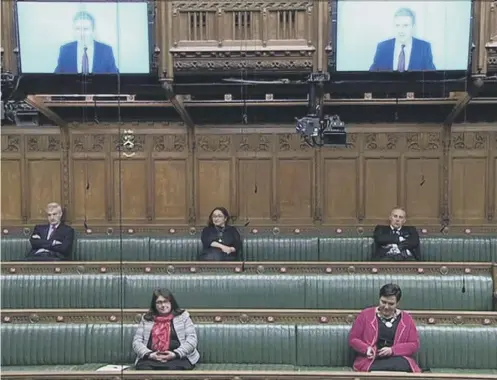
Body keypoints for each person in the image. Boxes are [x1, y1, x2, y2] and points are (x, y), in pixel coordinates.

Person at [349, 284, 421, 372]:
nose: (386, 307)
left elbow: (414, 345)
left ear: (397, 303)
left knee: (401, 365)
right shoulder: (365, 315)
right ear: (379, 299)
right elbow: (353, 339)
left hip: (397, 359)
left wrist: (392, 350)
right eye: (383, 302)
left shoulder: (407, 319)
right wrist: (367, 349)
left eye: (391, 304)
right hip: (371, 360)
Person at [133, 289, 200, 370]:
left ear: (172, 302)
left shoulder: (183, 317)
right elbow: (137, 342)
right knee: (145, 369)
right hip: (151, 358)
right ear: (154, 305)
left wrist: (175, 354)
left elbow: (192, 340)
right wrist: (149, 355)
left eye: (166, 301)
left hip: (179, 357)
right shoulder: (146, 319)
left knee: (173, 369)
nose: (163, 305)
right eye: (159, 302)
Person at [370, 8, 435, 72]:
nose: (401, 30)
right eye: (397, 25)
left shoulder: (424, 48)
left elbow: (431, 78)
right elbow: (371, 77)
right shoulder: (382, 47)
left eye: (405, 25)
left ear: (413, 27)